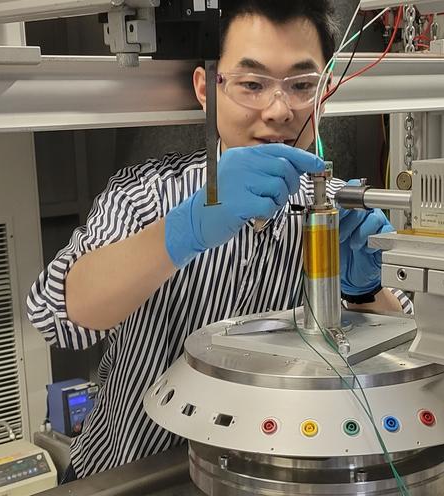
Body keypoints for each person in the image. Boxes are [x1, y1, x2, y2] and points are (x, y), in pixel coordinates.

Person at [28, 0, 412, 482]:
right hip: (135, 474)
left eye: (301, 85)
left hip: (270, 477)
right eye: (252, 84)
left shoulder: (339, 214)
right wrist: (182, 230)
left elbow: (408, 348)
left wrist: (365, 292)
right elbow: (59, 315)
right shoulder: (147, 194)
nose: (278, 110)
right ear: (207, 89)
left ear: (325, 92)